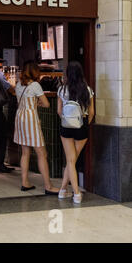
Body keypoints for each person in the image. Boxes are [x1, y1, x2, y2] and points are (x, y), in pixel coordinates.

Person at [13, 61, 59, 194]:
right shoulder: (35, 85)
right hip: (30, 119)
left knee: (25, 152)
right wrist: (37, 103)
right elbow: (46, 104)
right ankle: (48, 187)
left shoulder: (18, 85)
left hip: (20, 117)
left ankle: (25, 182)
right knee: (42, 153)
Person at [57, 61, 95, 204]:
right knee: (72, 161)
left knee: (70, 160)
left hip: (66, 127)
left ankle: (65, 191)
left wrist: (67, 121)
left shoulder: (62, 90)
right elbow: (91, 113)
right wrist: (83, 124)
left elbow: (59, 111)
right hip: (81, 127)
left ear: (68, 74)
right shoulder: (87, 89)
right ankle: (74, 193)